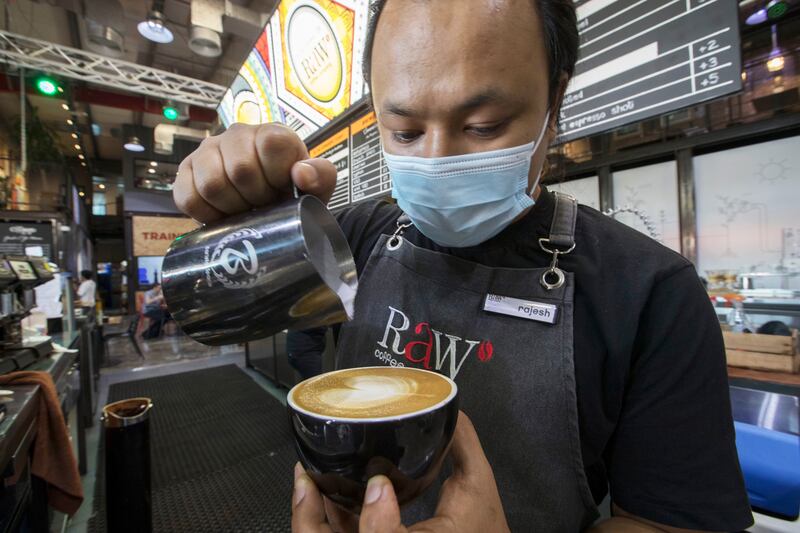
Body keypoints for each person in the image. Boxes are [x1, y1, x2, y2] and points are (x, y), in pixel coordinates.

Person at [172, 1, 753, 530]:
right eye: (402, 131)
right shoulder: (355, 238)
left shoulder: (648, 293)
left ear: (556, 98)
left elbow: (673, 522)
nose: (437, 160)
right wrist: (231, 208)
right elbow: (204, 308)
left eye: (483, 127)